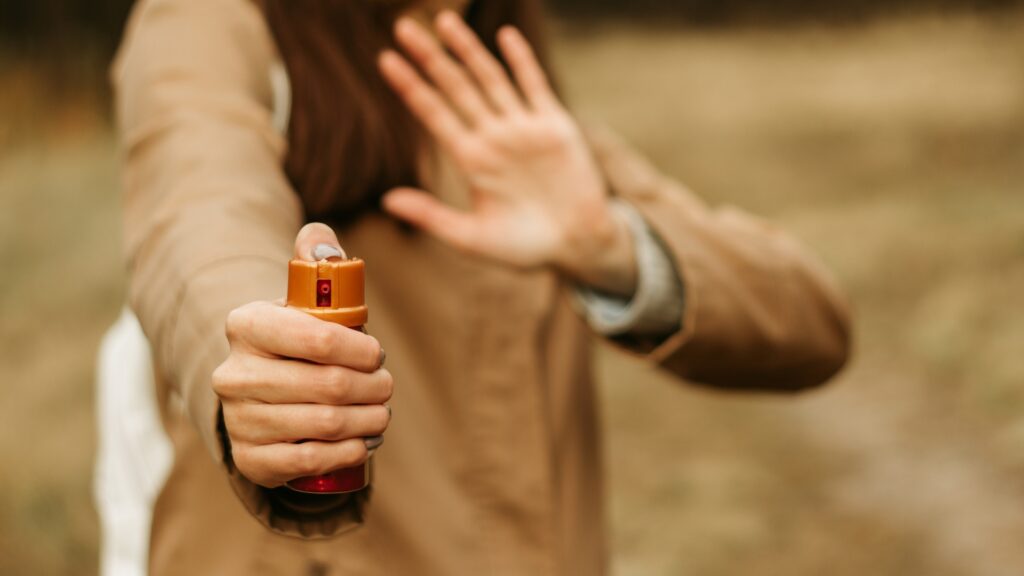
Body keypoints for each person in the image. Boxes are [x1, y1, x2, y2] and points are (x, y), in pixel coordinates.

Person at [109, 0, 851, 574]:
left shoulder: (497, 75)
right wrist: (261, 350)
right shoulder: (214, 22)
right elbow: (197, 203)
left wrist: (610, 247)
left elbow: (810, 323)